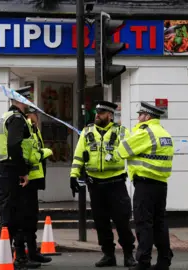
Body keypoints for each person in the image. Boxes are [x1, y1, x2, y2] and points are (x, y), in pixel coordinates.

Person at [70, 101, 137, 268]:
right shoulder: (87, 132)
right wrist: (73, 175)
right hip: (95, 184)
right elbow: (78, 155)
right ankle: (108, 255)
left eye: (101, 112)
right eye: (96, 112)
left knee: (122, 220)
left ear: (110, 115)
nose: (97, 115)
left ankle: (129, 254)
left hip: (116, 183)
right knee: (101, 222)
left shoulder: (122, 132)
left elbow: (132, 153)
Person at [116, 102, 175, 270]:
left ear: (147, 117)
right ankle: (164, 260)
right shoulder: (164, 133)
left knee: (144, 224)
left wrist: (125, 135)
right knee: (160, 224)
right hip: (161, 184)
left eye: (140, 115)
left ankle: (143, 261)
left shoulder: (144, 132)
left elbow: (122, 151)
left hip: (145, 184)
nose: (138, 118)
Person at [0, 88, 42, 269]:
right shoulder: (16, 119)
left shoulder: (9, 116)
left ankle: (18, 258)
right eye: (29, 100)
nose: (30, 103)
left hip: (7, 170)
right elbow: (14, 145)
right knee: (8, 217)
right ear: (21, 100)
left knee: (15, 215)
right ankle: (6, 258)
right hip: (10, 170)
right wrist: (23, 171)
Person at [24, 106, 54, 264]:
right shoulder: (27, 129)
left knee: (32, 218)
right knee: (26, 218)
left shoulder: (35, 130)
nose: (37, 117)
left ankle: (33, 252)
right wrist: (46, 152)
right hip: (26, 181)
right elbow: (31, 155)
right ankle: (25, 254)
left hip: (34, 180)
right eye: (35, 114)